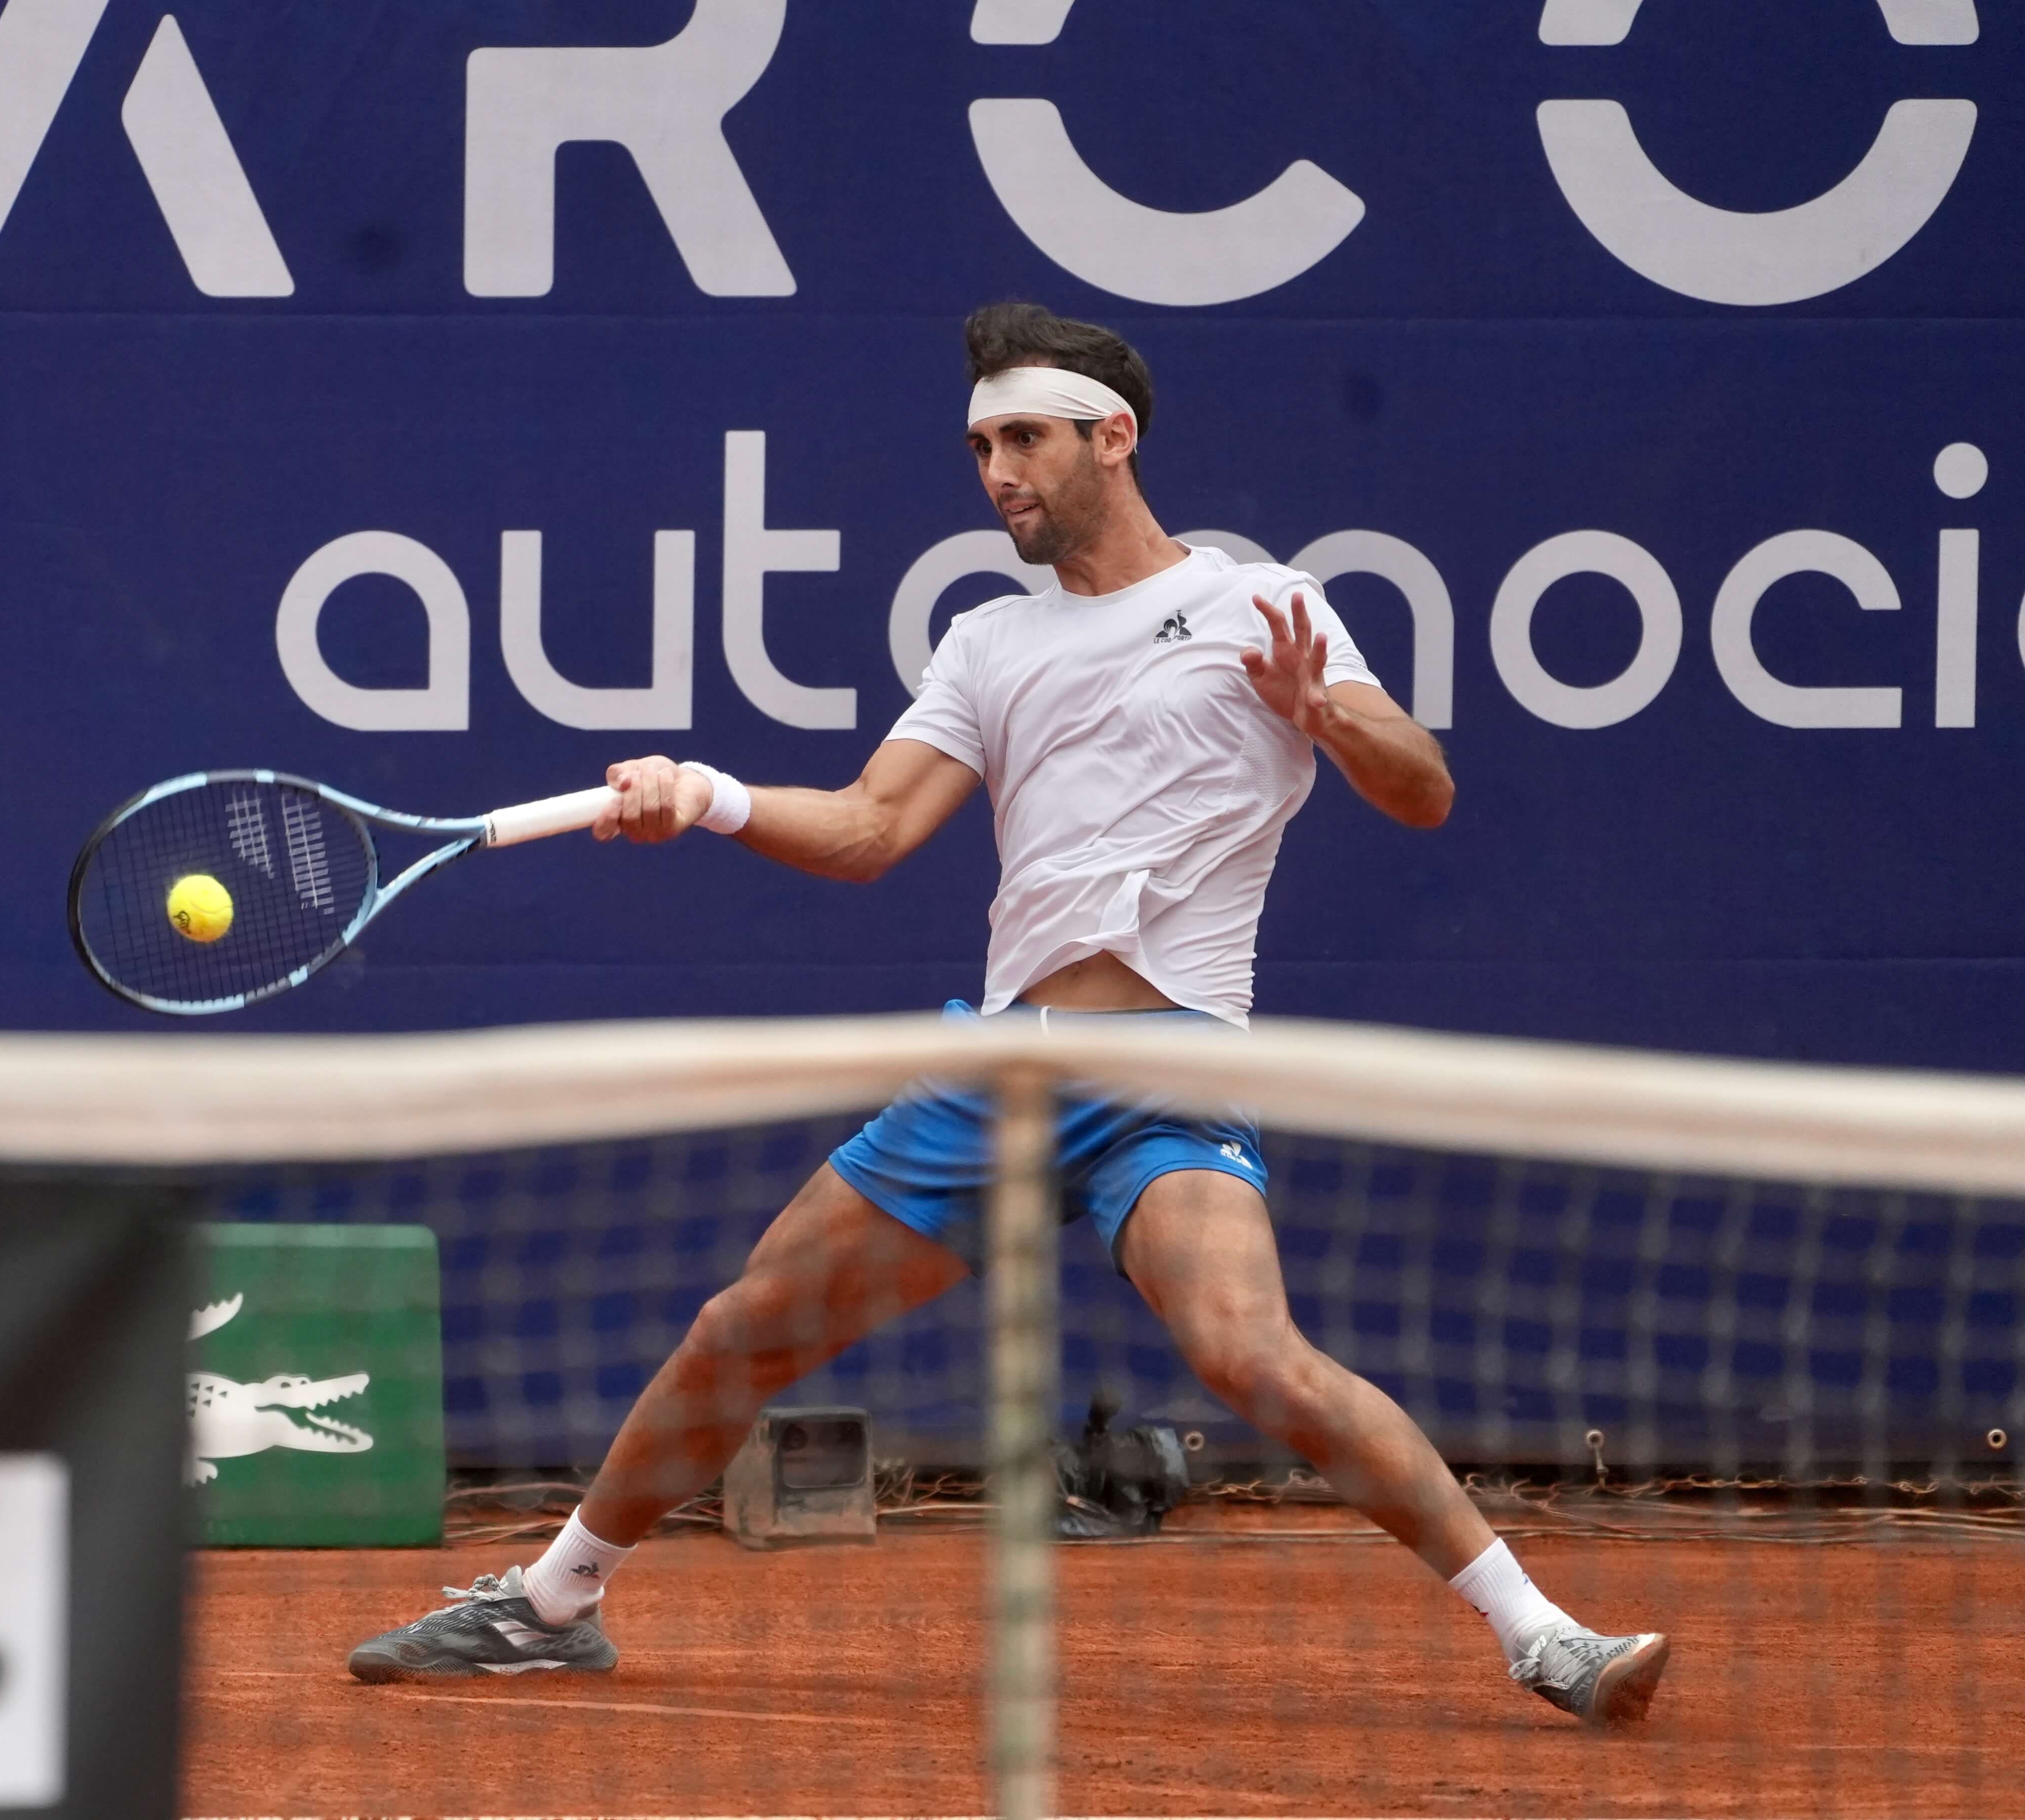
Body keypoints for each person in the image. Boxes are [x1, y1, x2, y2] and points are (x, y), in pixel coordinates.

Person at [345, 301, 1670, 1727]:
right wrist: (709, 796)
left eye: (1024, 438)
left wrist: (1322, 711)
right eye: (979, 445)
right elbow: (865, 828)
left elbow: (1424, 789)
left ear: (1113, 436)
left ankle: (1543, 1636)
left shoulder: (1256, 602)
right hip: (1003, 1061)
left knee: (1251, 1355)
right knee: (741, 1329)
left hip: (1168, 1065)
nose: (996, 472)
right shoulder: (987, 642)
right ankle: (551, 1604)